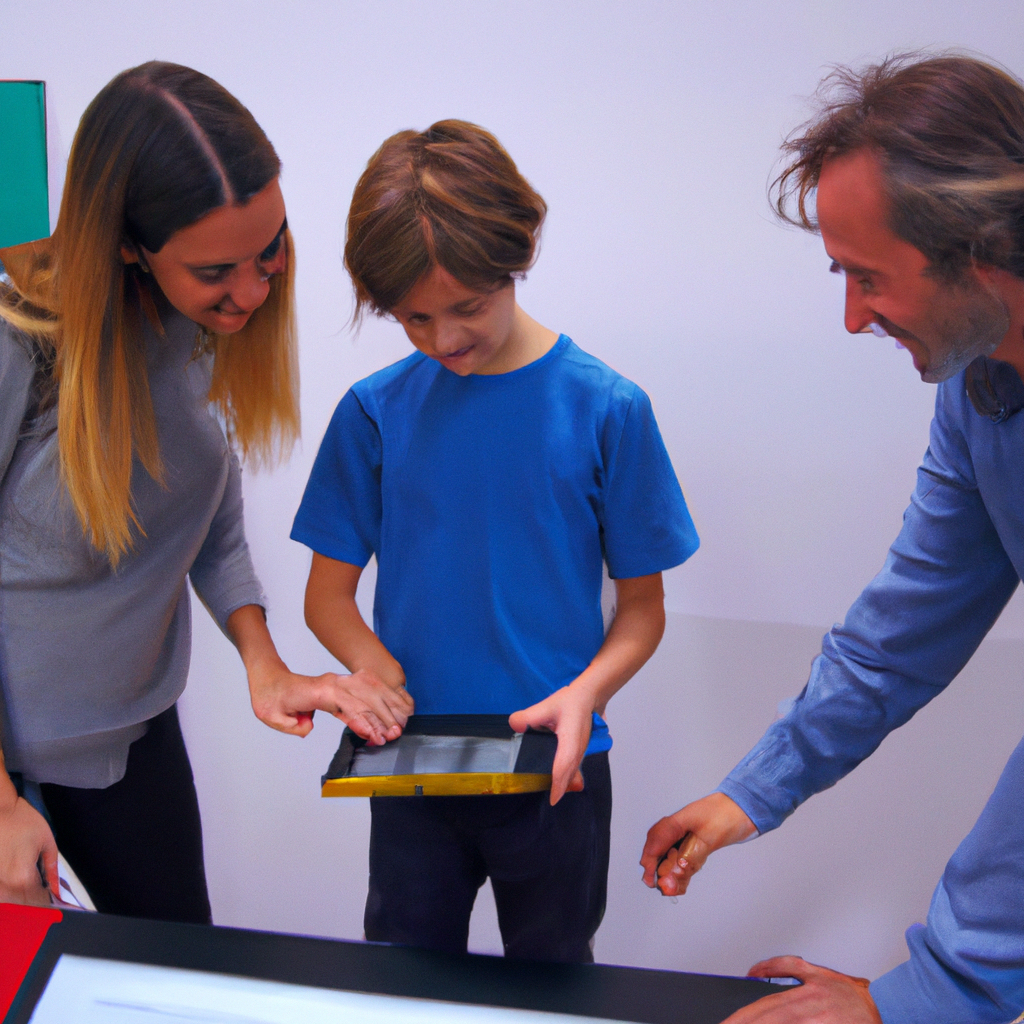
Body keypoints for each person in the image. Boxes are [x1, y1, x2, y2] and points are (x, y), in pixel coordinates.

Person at [640, 53, 1024, 1023]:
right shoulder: (983, 393)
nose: (851, 317)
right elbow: (902, 629)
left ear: (984, 256)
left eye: (867, 278)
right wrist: (753, 793)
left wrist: (933, 991)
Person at [0, 61, 412, 923]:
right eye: (219, 270)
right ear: (125, 243)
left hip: (137, 741)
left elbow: (205, 515)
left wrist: (264, 664)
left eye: (271, 254)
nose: (255, 292)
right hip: (17, 767)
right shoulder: (21, 347)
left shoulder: (184, 324)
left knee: (174, 977)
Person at [291, 120, 699, 962]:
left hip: (557, 769)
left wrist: (587, 692)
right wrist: (375, 668)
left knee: (554, 988)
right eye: (413, 320)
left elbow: (643, 611)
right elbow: (327, 599)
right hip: (412, 770)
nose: (444, 341)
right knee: (404, 986)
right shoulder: (373, 412)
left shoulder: (607, 410)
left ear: (519, 255)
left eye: (467, 308)